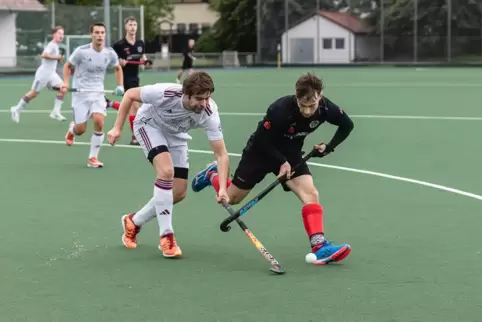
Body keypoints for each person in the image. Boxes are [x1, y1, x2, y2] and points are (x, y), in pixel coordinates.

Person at [191, 72, 355, 266]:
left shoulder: (327, 108)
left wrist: (329, 147)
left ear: (320, 95)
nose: (308, 111)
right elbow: (262, 138)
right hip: (261, 151)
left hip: (291, 152)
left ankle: (319, 247)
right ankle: (212, 174)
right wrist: (281, 162)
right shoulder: (280, 109)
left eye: (312, 105)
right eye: (303, 105)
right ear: (296, 96)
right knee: (232, 198)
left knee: (310, 192)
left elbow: (347, 125)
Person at [106, 71, 230, 258]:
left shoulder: (209, 112)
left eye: (207, 98)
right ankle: (167, 237)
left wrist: (222, 189)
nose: (204, 103)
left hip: (176, 135)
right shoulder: (165, 93)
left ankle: (134, 221)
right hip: (149, 125)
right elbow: (130, 94)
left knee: (178, 193)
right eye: (199, 98)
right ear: (186, 93)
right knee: (166, 171)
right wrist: (117, 127)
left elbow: (221, 154)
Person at [62, 23, 124, 168]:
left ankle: (93, 158)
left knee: (99, 121)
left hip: (98, 93)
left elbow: (118, 68)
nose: (100, 35)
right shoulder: (81, 51)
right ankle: (72, 130)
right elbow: (67, 66)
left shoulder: (109, 53)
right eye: (97, 32)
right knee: (81, 130)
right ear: (92, 34)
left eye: (102, 32)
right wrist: (65, 83)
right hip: (81, 94)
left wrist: (120, 85)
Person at [10, 26, 67, 123]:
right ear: (54, 34)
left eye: (62, 34)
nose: (61, 35)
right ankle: (17, 109)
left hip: (51, 74)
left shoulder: (57, 46)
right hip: (43, 74)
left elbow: (53, 58)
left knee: (63, 88)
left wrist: (58, 59)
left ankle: (55, 112)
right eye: (59, 33)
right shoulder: (52, 45)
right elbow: (43, 55)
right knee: (33, 94)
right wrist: (56, 57)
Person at [112, 16, 151, 145]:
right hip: (125, 78)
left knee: (130, 106)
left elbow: (143, 58)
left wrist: (145, 62)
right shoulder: (119, 45)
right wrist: (119, 62)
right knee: (134, 105)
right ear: (126, 27)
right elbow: (113, 62)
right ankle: (135, 137)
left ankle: (111, 104)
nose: (133, 27)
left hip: (135, 77)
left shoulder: (140, 43)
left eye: (134, 25)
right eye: (130, 25)